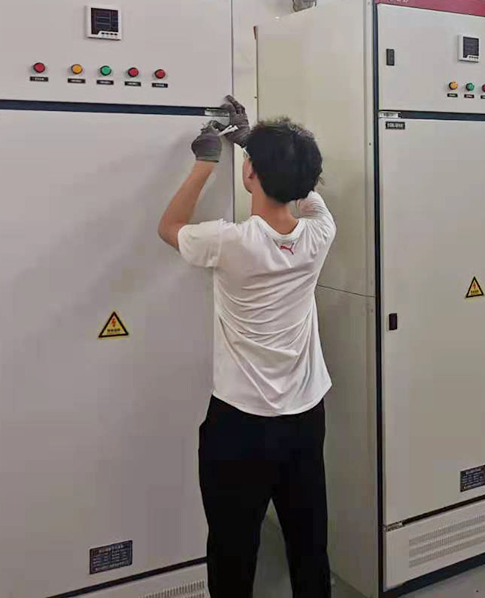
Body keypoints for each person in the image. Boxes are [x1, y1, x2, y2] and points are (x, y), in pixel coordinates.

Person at [157, 96, 335, 598]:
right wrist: (255, 146)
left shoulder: (229, 242)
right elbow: (305, 193)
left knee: (233, 552)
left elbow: (168, 227)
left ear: (249, 173)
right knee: (309, 544)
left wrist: (206, 161)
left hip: (240, 426)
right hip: (305, 418)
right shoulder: (320, 233)